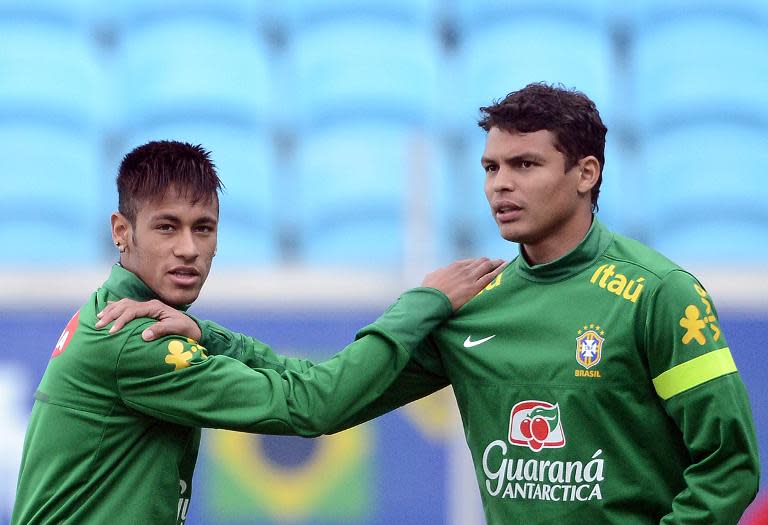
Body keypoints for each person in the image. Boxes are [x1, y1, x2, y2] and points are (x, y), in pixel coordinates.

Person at [102, 84, 760, 524]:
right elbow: (322, 394)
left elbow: (728, 467)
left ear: (585, 173)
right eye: (490, 167)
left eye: (524, 165)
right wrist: (210, 336)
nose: (500, 184)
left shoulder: (660, 294)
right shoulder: (474, 305)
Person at [11, 140, 505, 525]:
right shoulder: (135, 341)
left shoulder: (128, 314)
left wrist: (210, 336)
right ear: (122, 230)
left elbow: (308, 379)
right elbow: (314, 404)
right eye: (167, 227)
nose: (189, 248)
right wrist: (424, 303)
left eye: (203, 228)